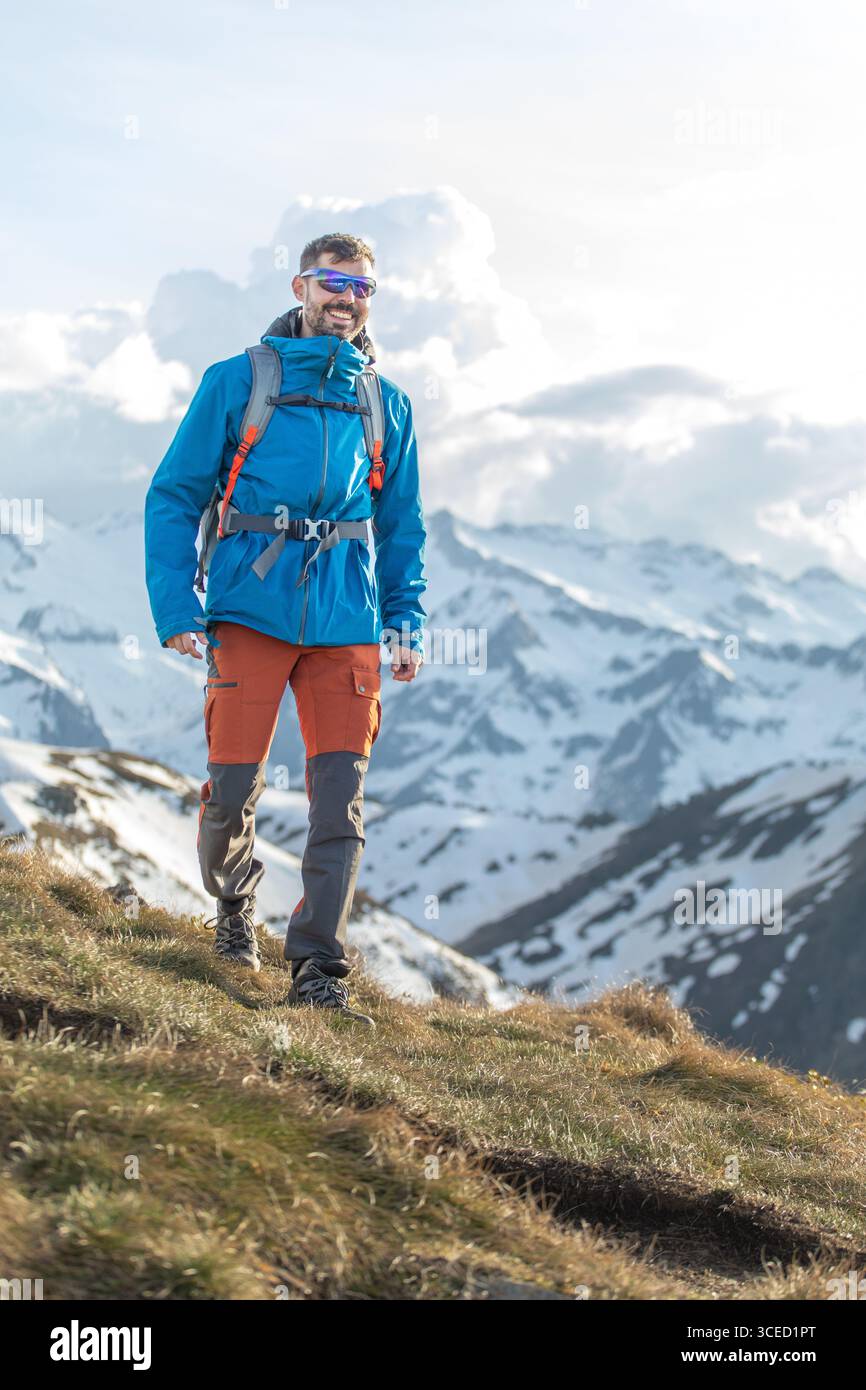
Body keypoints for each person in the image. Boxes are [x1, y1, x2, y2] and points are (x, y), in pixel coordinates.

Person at [144, 232, 426, 1024]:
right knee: (233, 787)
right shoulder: (238, 381)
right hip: (249, 608)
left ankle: (317, 972)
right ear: (302, 286)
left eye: (362, 287)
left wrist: (405, 620)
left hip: (347, 619)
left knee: (341, 804)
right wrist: (176, 606)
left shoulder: (387, 403)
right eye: (332, 282)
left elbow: (403, 525)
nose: (346, 298)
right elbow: (174, 495)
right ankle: (233, 907)